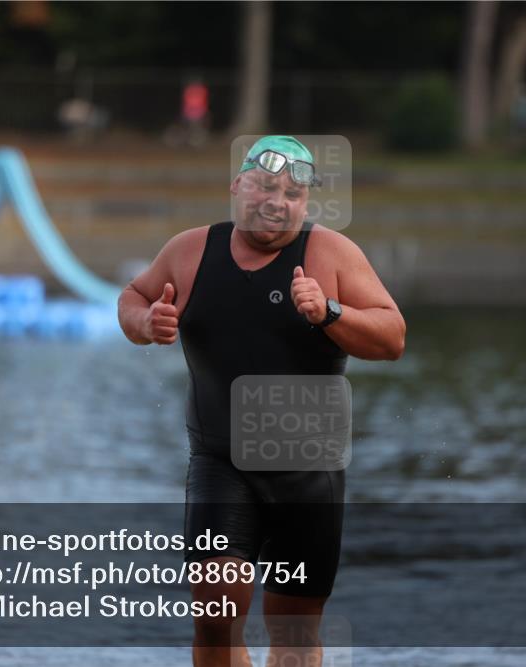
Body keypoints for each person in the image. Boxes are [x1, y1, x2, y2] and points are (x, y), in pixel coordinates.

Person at [118, 136, 405, 666]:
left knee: (294, 635)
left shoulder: (331, 254)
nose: (278, 200)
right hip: (220, 462)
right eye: (266, 185)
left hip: (307, 471)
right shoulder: (191, 250)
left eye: (294, 193)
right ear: (237, 185)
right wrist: (145, 321)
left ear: (306, 203)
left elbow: (392, 337)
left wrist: (330, 313)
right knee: (216, 617)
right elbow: (134, 296)